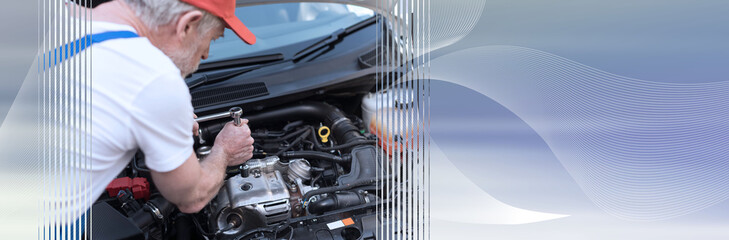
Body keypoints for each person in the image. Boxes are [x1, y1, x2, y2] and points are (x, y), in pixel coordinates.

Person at [60, 0, 257, 224]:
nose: (205, 55)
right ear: (186, 25)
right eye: (212, 39)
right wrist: (225, 151)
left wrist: (164, 121)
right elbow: (191, 197)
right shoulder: (154, 79)